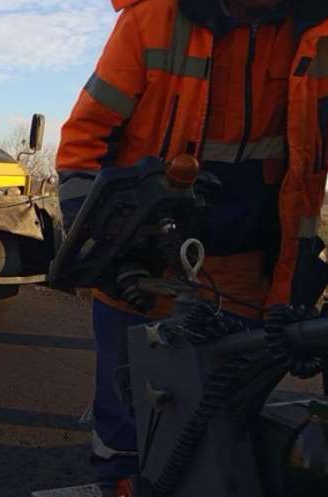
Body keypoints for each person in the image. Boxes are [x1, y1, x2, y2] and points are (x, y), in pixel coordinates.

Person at [56, 0, 328, 496]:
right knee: (131, 410)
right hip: (146, 262)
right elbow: (84, 141)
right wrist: (97, 237)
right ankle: (122, 482)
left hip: (251, 266)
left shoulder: (317, 31)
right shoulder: (152, 20)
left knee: (227, 416)